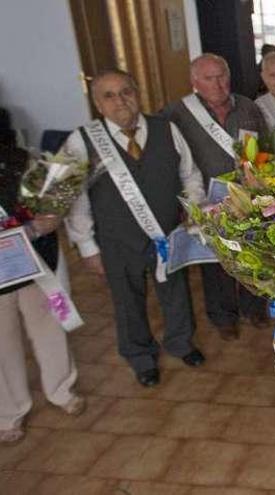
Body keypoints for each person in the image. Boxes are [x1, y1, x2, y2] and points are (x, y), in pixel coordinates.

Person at [65, 69, 206, 387]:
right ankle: (141, 357)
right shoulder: (82, 140)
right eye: (109, 95)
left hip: (166, 232)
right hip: (116, 240)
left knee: (175, 292)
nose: (120, 101)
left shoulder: (166, 129)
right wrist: (87, 246)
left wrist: (192, 209)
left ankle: (181, 343)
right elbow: (76, 200)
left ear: (138, 93)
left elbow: (191, 174)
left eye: (126, 91)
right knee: (127, 301)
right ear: (98, 104)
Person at [162, 54, 269, 341]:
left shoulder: (247, 107)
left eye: (222, 76)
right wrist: (183, 203)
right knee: (215, 260)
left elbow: (265, 147)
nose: (218, 84)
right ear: (195, 82)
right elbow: (169, 162)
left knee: (250, 253)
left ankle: (254, 306)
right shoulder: (176, 114)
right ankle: (223, 316)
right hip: (205, 198)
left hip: (246, 194)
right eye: (209, 78)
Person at [1, 112, 85, 443]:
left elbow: (54, 195)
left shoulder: (24, 160)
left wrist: (48, 219)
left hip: (36, 262)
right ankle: (9, 412)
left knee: (49, 326)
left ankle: (62, 389)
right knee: (2, 340)